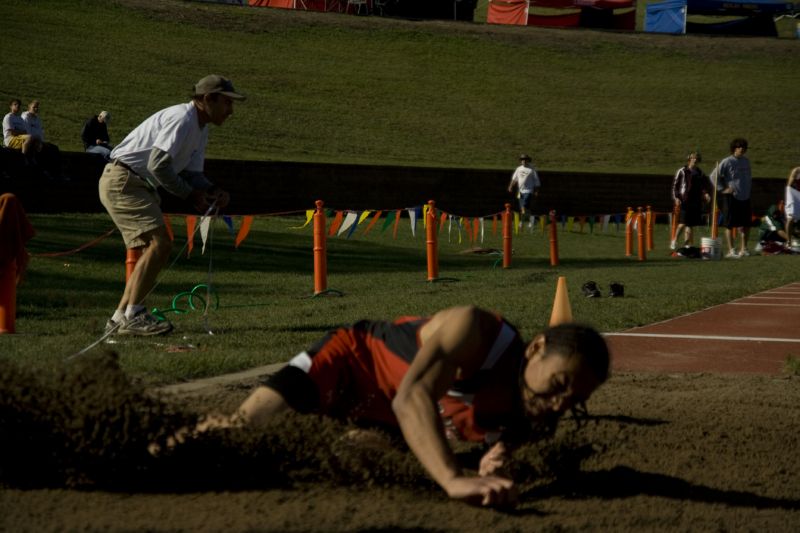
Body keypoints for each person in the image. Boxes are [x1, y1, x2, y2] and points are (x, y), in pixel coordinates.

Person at [176, 306, 611, 508]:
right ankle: (152, 445)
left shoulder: (537, 414)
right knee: (243, 429)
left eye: (572, 400)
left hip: (383, 420)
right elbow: (412, 396)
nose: (557, 402)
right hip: (348, 363)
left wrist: (497, 459)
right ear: (536, 348)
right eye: (558, 383)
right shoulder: (477, 332)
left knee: (338, 464)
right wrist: (451, 478)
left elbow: (500, 445)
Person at [99, 74, 243, 336]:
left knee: (154, 247)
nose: (231, 110)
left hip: (134, 183)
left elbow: (191, 173)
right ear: (207, 99)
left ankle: (120, 316)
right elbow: (158, 165)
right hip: (124, 180)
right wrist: (191, 195)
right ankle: (135, 314)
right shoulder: (182, 119)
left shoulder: (200, 128)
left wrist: (212, 190)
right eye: (227, 102)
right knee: (160, 243)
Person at [710, 138, 753, 258]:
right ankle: (731, 250)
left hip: (746, 197)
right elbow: (713, 176)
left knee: (746, 224)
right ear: (734, 148)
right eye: (739, 147)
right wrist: (723, 189)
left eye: (744, 147)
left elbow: (748, 177)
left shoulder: (746, 161)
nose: (742, 149)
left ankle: (744, 249)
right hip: (732, 197)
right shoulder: (727, 161)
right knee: (729, 224)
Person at [670, 151, 712, 250]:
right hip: (685, 200)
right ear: (689, 159)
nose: (695, 160)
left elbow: (703, 186)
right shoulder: (682, 171)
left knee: (690, 224)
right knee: (683, 223)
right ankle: (674, 240)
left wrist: (706, 194)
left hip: (696, 201)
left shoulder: (700, 173)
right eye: (693, 158)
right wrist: (676, 198)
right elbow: (675, 186)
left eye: (697, 159)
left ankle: (686, 244)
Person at [21, 100, 65, 180]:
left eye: (37, 107)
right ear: (29, 107)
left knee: (54, 148)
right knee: (45, 151)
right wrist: (38, 141)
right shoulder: (25, 117)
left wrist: (40, 141)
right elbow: (27, 132)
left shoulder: (37, 118)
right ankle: (49, 173)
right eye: (34, 107)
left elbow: (40, 132)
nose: (36, 109)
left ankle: (58, 173)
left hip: (39, 141)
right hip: (31, 141)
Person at [2, 99, 42, 166]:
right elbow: (12, 133)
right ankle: (23, 157)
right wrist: (20, 132)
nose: (17, 106)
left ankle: (33, 158)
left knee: (36, 138)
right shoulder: (8, 117)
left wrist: (19, 131)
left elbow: (24, 131)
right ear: (10, 106)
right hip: (10, 139)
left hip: (19, 138)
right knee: (30, 137)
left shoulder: (20, 118)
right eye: (15, 104)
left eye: (18, 105)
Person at [507, 153, 541, 229]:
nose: (524, 161)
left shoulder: (532, 169)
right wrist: (510, 186)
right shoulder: (518, 169)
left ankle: (521, 222)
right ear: (520, 161)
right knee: (525, 208)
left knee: (524, 206)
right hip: (520, 191)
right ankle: (531, 221)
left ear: (528, 160)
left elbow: (536, 181)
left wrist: (536, 190)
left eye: (525, 159)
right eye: (522, 159)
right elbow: (514, 179)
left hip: (528, 191)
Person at [783, 167, 800, 249]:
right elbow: (790, 186)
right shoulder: (796, 171)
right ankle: (788, 241)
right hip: (794, 196)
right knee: (790, 218)